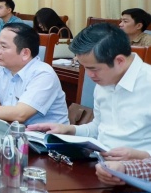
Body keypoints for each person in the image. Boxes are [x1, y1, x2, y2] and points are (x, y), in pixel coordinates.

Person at [28, 24, 151, 158]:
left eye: (93, 69)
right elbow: (99, 127)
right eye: (84, 67)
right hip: (100, 162)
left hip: (138, 168)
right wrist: (68, 130)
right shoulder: (104, 82)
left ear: (120, 61)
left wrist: (140, 156)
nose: (89, 75)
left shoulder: (147, 83)